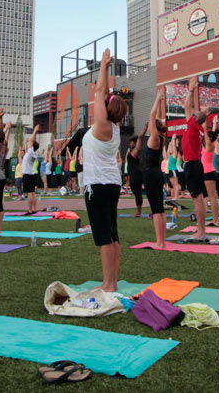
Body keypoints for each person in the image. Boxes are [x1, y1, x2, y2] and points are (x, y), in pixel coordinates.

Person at [82, 49, 125, 291]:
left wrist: (103, 65)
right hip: (111, 184)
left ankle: (108, 283)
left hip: (97, 186)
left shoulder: (101, 126)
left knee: (104, 237)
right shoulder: (113, 127)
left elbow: (99, 92)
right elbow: (104, 94)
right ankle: (112, 281)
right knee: (112, 234)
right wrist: (106, 67)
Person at [140, 85, 169, 245]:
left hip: (152, 174)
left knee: (156, 209)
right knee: (160, 209)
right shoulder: (160, 138)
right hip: (155, 173)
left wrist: (158, 99)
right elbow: (154, 118)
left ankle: (160, 242)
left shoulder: (155, 139)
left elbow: (152, 115)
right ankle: (162, 240)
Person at [183, 79, 209, 239]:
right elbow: (191, 109)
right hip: (195, 165)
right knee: (199, 199)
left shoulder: (194, 125)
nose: (191, 114)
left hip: (192, 166)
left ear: (195, 118)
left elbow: (187, 106)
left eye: (194, 114)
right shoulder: (198, 128)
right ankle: (201, 230)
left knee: (197, 200)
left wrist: (191, 90)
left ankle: (201, 231)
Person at [201, 121, 219, 223]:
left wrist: (205, 118)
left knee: (212, 197)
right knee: (210, 196)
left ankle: (215, 220)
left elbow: (205, 131)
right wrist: (214, 123)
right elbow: (210, 133)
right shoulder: (209, 145)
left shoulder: (209, 145)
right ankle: (215, 219)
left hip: (209, 172)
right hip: (208, 172)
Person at [20, 126, 41, 214]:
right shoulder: (34, 153)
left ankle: (30, 210)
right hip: (31, 174)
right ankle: (34, 209)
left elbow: (32, 141)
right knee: (32, 193)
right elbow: (33, 142)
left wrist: (35, 131)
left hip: (27, 175)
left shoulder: (31, 151)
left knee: (29, 193)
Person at [126, 136, 144, 217]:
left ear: (135, 143)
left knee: (137, 193)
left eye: (131, 142)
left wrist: (143, 131)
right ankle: (138, 211)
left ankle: (138, 212)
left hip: (136, 174)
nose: (130, 144)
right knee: (136, 192)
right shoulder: (133, 151)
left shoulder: (136, 150)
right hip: (134, 174)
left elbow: (140, 139)